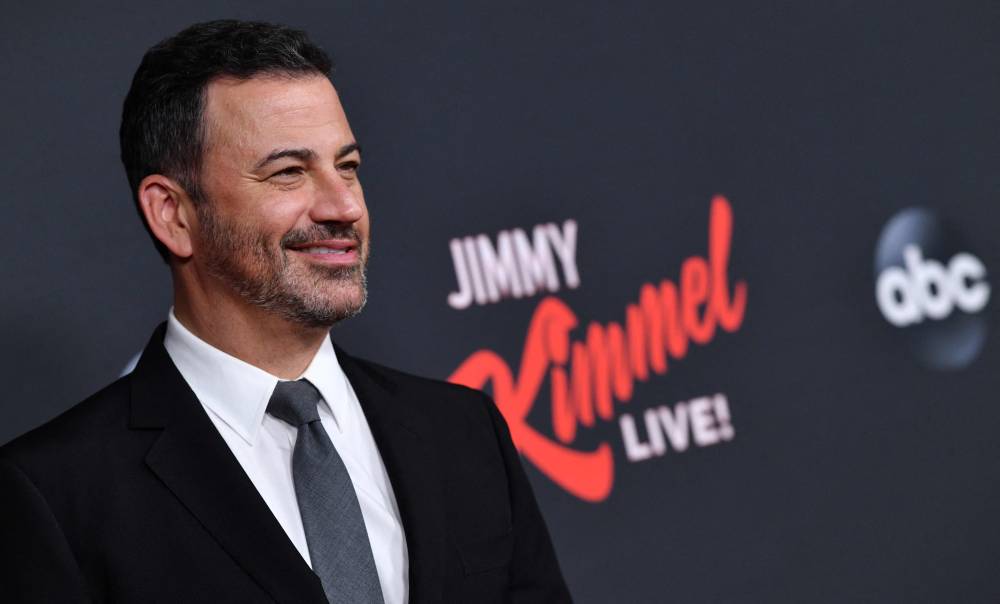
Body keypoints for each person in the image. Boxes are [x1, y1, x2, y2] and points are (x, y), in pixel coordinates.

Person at [0, 19, 571, 604]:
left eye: (347, 166)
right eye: (288, 173)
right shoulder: (54, 496)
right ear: (172, 213)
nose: (344, 206)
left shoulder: (464, 432)